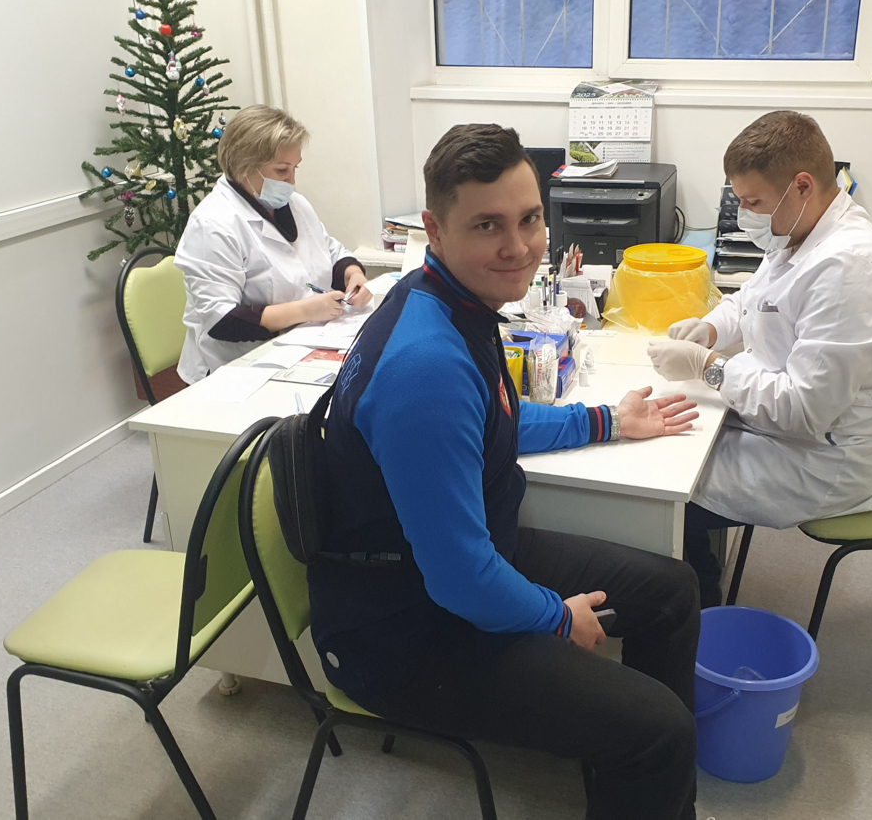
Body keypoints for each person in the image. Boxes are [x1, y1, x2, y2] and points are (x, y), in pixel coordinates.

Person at [311, 124, 703, 820]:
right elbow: (460, 580)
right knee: (659, 730)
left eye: (529, 219)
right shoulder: (427, 365)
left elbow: (494, 419)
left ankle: (631, 768)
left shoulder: (445, 299)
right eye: (487, 225)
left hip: (456, 566)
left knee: (672, 591)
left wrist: (608, 420)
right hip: (406, 633)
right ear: (435, 228)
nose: (519, 247)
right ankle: (641, 751)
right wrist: (555, 618)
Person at [647, 111, 872, 608]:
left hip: (819, 458)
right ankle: (697, 586)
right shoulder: (801, 232)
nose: (744, 215)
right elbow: (753, 300)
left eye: (753, 202)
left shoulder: (850, 269)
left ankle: (696, 610)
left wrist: (710, 366)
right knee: (669, 442)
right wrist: (710, 327)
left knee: (662, 488)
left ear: (802, 186)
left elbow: (802, 410)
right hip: (778, 429)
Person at [173, 105, 372, 383]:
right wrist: (305, 310)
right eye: (281, 170)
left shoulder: (295, 205)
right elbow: (222, 321)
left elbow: (331, 252)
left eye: (294, 168)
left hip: (301, 346)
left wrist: (353, 274)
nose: (291, 181)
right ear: (244, 165)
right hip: (235, 369)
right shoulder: (212, 224)